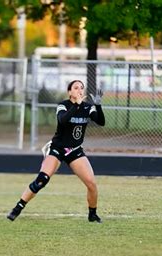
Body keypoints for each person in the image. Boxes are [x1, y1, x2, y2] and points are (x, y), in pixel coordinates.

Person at [7, 80, 106, 223]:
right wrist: (76, 105)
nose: (79, 90)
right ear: (70, 92)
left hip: (75, 150)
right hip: (58, 148)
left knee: (92, 184)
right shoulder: (63, 105)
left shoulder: (87, 107)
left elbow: (101, 122)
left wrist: (98, 105)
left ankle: (92, 214)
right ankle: (18, 208)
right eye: (76, 88)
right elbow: (62, 121)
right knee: (42, 180)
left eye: (81, 88)